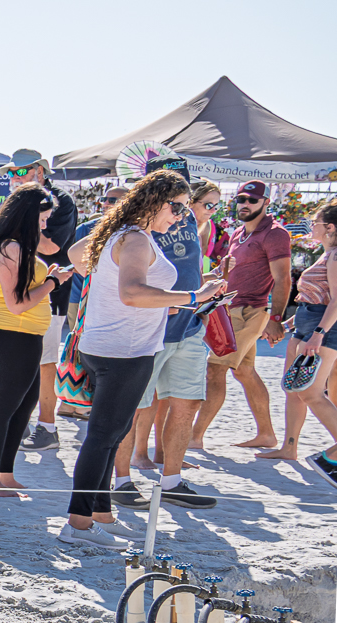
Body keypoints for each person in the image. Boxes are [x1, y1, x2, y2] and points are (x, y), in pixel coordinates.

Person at [59, 172, 228, 547]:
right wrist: (194, 296)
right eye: (177, 207)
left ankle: (100, 515)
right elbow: (133, 293)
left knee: (110, 434)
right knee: (103, 437)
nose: (181, 217)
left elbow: (81, 260)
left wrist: (160, 304)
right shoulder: (134, 237)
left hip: (111, 344)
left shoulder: (121, 233)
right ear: (154, 201)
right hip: (124, 350)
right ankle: (78, 525)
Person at [0, 186, 71, 495]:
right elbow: (17, 304)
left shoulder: (16, 246)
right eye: (42, 219)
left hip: (22, 334)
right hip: (12, 332)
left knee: (23, 407)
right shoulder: (11, 247)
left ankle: (4, 473)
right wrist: (52, 282)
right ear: (28, 216)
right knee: (3, 409)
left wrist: (48, 277)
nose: (45, 225)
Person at [127, 177, 223, 507]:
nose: (209, 210)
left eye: (215, 206)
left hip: (190, 324)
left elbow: (187, 267)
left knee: (187, 403)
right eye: (205, 204)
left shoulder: (196, 223)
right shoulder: (139, 227)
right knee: (136, 405)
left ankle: (172, 480)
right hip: (154, 328)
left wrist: (206, 288)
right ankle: (123, 479)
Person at [192, 179, 292, 450]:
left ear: (266, 203)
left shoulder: (275, 233)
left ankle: (194, 436)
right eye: (241, 199)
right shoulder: (239, 232)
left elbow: (283, 279)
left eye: (252, 200)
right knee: (245, 372)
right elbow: (232, 272)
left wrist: (275, 319)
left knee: (215, 369)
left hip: (251, 310)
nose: (245, 204)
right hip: (232, 308)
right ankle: (267, 435)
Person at [0, 150, 77, 448]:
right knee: (15, 361)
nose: (13, 177)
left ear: (40, 171)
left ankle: (47, 427)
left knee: (44, 361)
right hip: (16, 291)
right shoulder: (18, 202)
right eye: (11, 172)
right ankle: (18, 423)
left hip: (48, 292)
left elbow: (53, 247)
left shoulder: (59, 200)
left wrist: (20, 218)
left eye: (20, 171)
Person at [258, 201, 337, 483]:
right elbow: (316, 298)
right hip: (308, 324)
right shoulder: (327, 254)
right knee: (296, 388)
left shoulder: (335, 256)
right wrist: (290, 324)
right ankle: (289, 447)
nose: (311, 226)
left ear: (330, 228)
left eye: (315, 222)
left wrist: (318, 332)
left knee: (312, 392)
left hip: (322, 329)